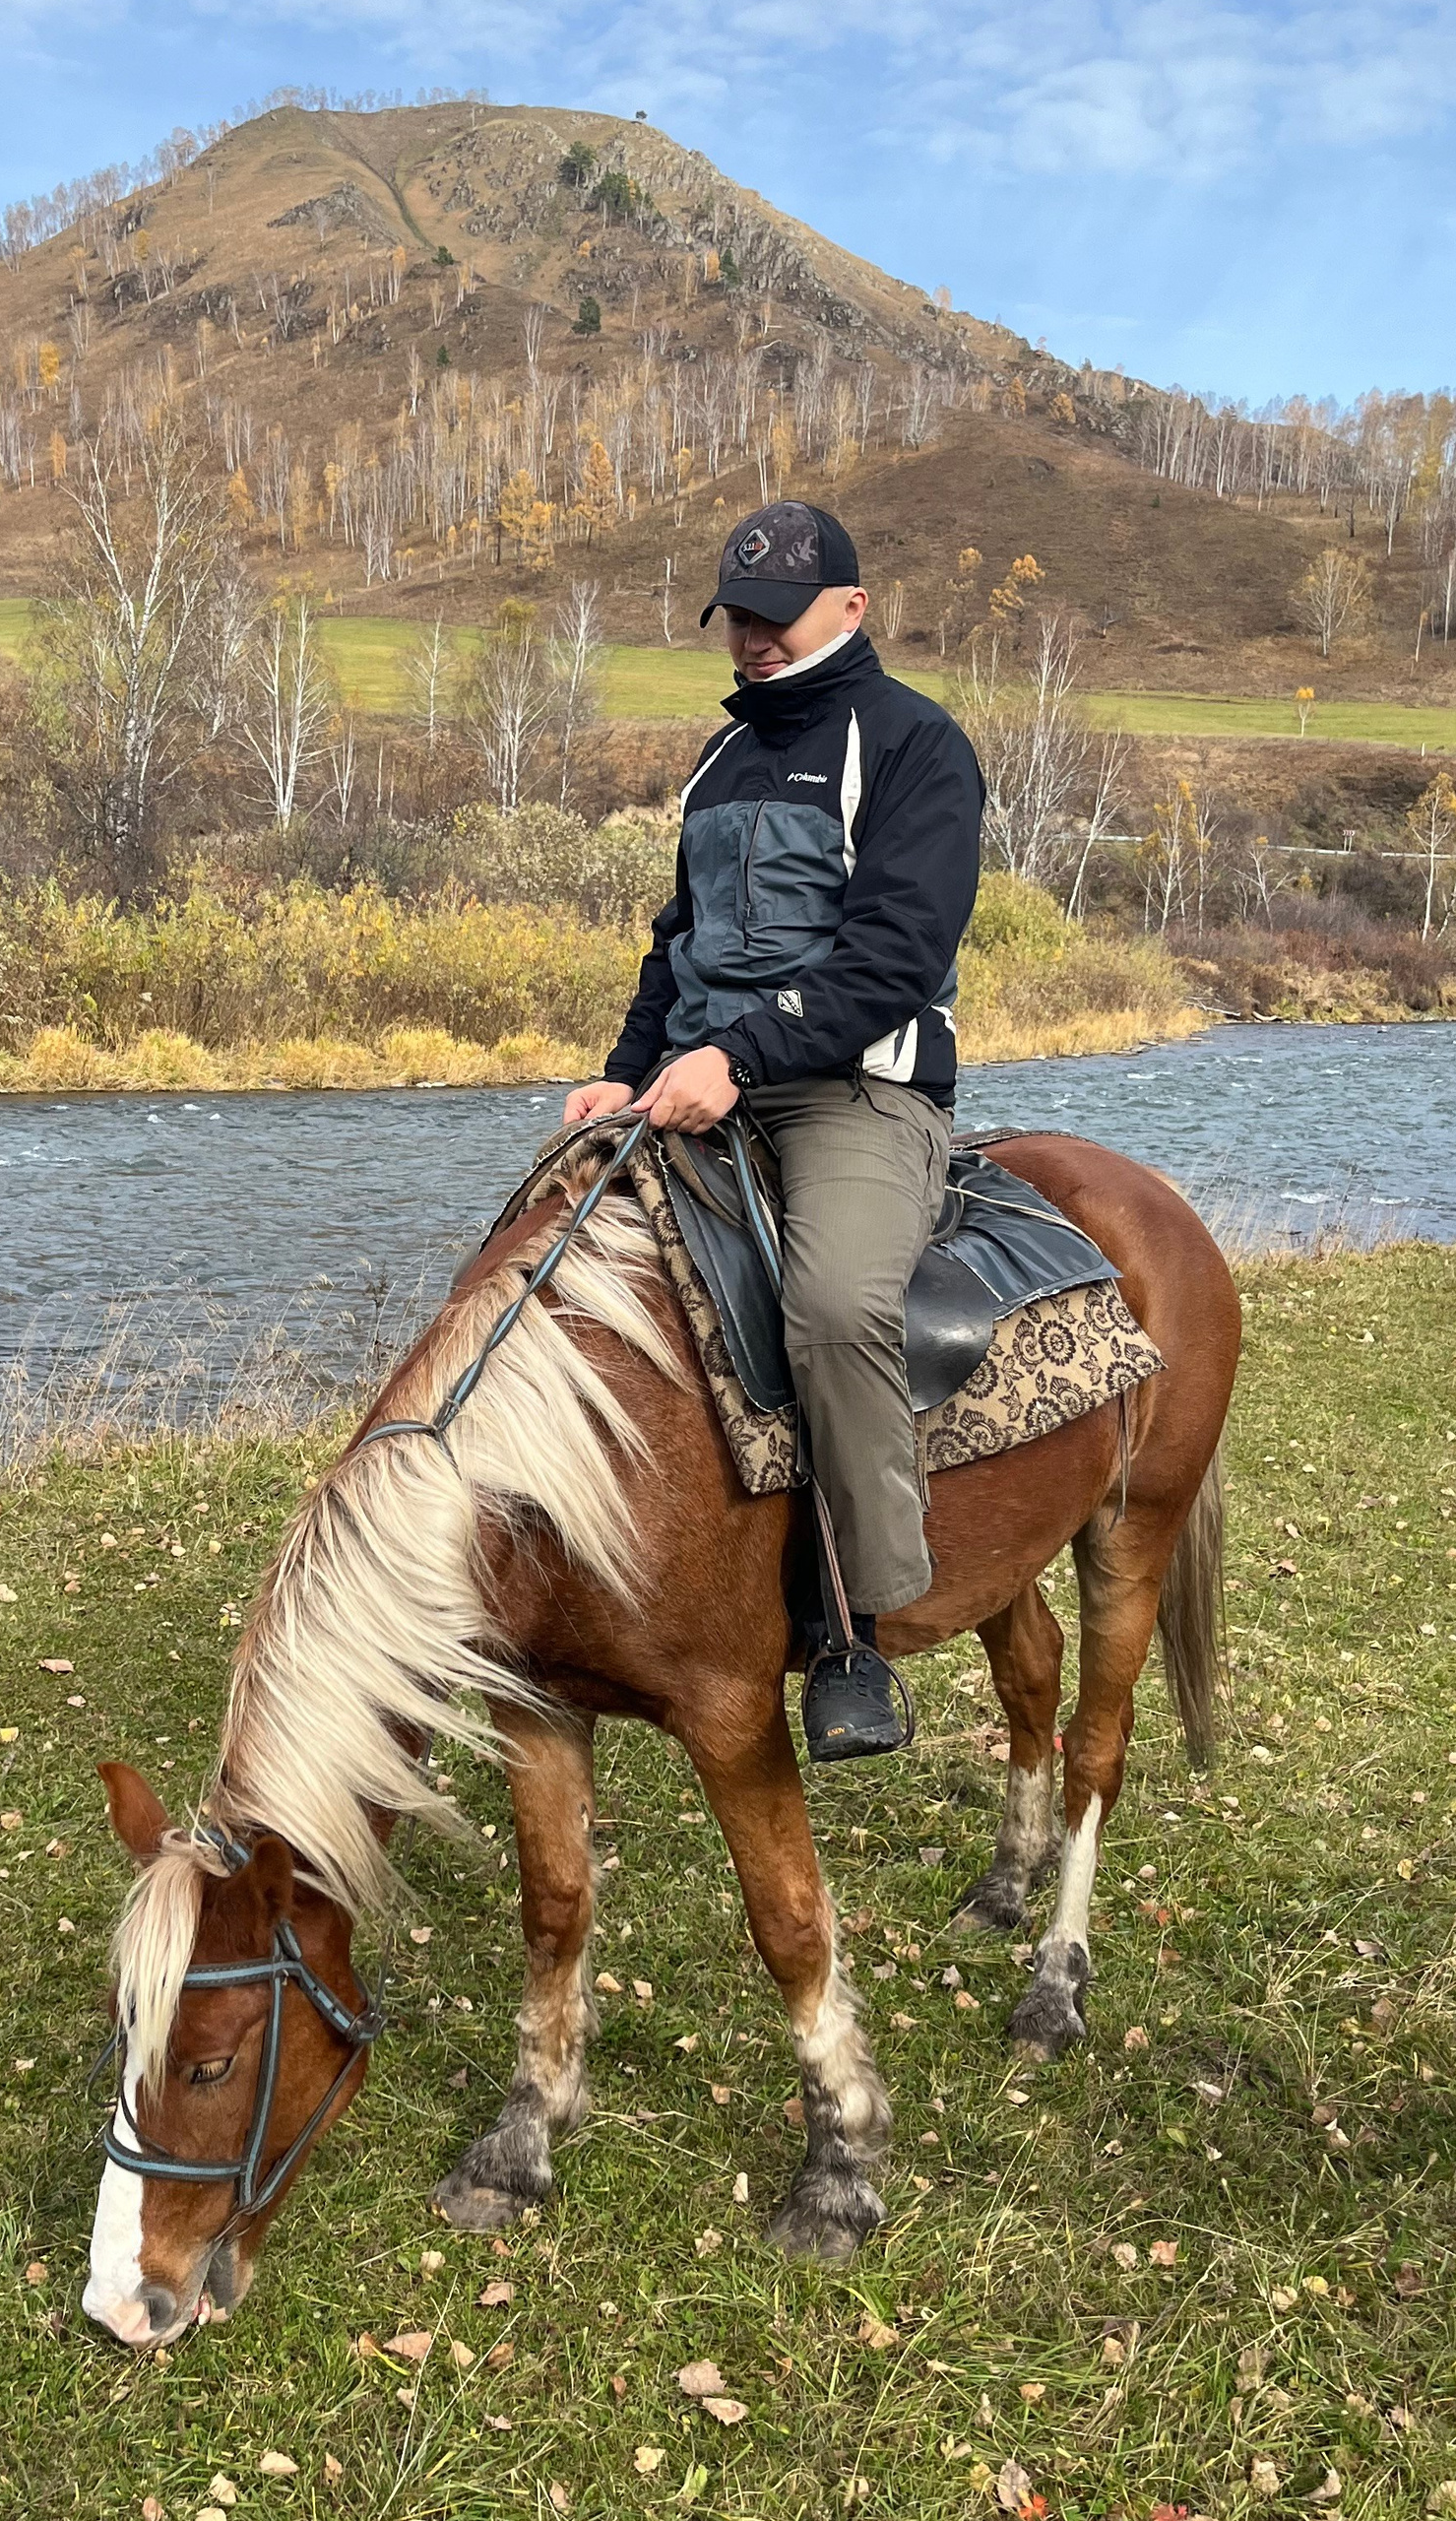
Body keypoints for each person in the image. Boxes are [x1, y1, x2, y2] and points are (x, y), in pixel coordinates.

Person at [563, 500, 984, 1759]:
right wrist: (621, 1073)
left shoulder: (916, 746)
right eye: (735, 616)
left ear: (851, 609)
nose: (750, 638)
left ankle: (858, 1627)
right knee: (541, 1250)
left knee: (835, 1307)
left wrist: (736, 1057)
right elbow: (672, 945)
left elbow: (897, 958)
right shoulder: (718, 762)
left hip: (857, 1089)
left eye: (774, 615)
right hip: (693, 1076)